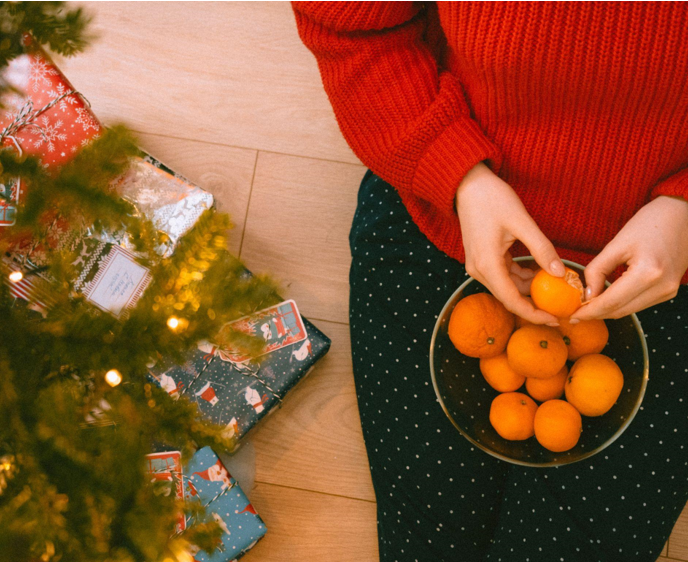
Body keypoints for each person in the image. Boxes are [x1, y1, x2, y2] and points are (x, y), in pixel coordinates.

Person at [293, 3, 688, 561]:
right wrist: (454, 171)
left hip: (669, 277)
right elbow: (347, 23)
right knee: (429, 543)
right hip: (450, 216)